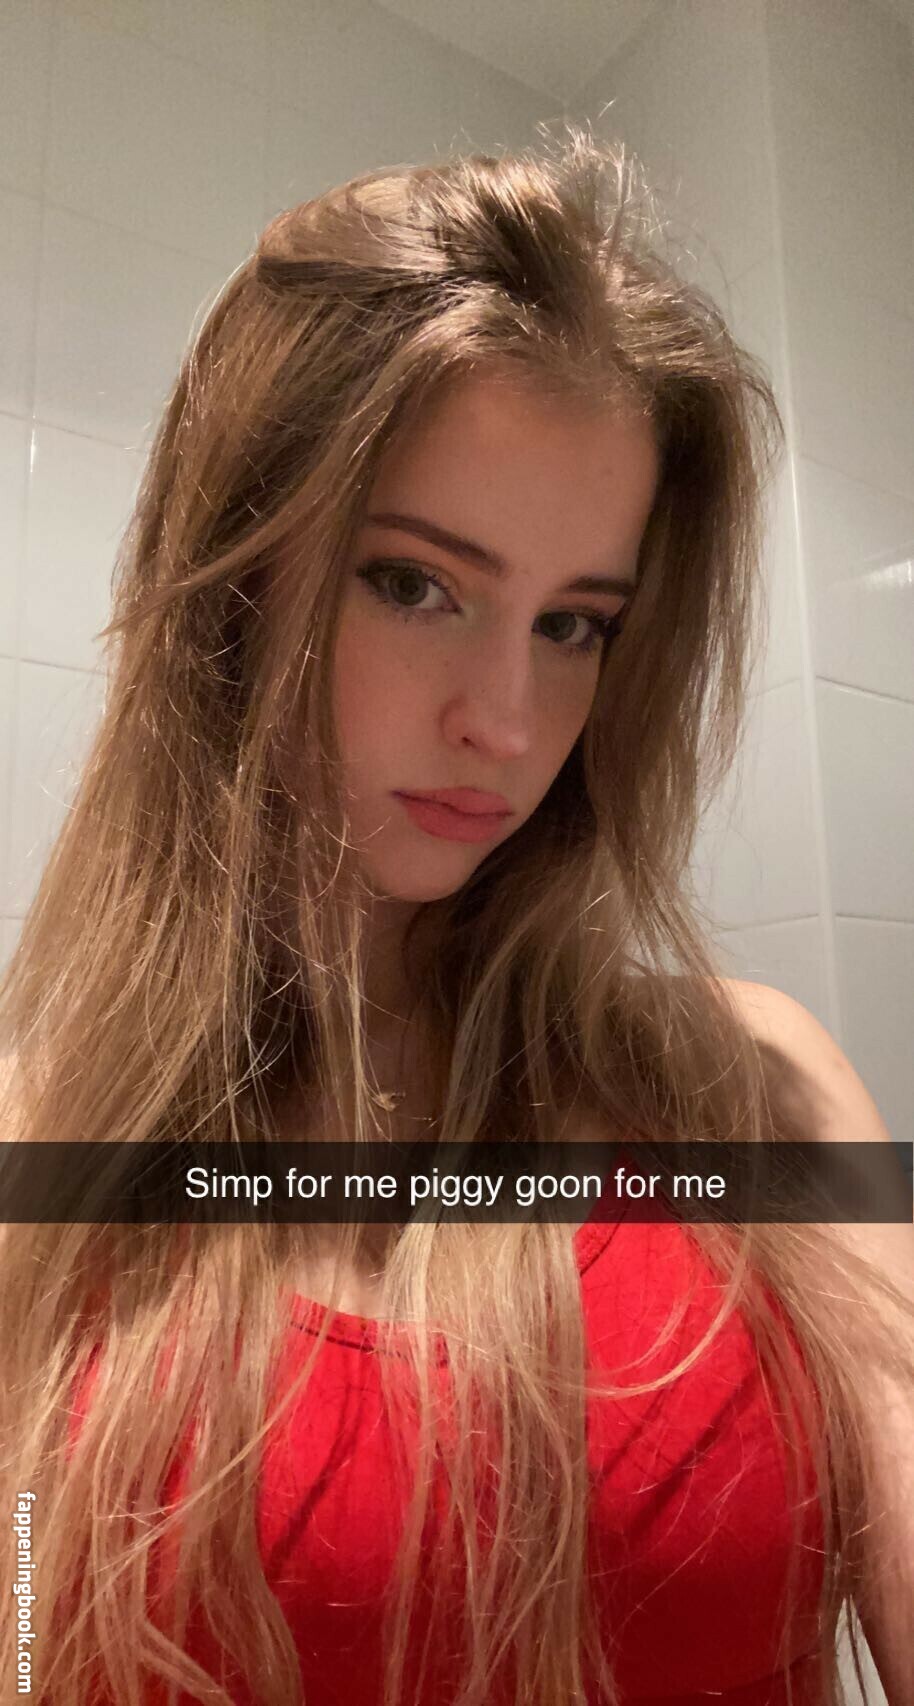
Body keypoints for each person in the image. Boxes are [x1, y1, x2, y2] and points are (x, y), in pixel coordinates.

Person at [0, 130, 911, 1706]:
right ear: (233, 586)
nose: (508, 719)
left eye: (574, 623)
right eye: (415, 584)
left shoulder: (752, 1090)